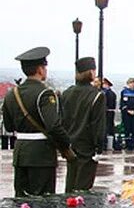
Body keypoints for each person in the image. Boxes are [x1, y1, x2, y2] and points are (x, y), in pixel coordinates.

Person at [1, 47, 75, 195]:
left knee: (22, 204)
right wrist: (67, 143)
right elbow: (53, 125)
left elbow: (8, 126)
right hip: (42, 155)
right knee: (43, 205)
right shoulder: (45, 93)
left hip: (21, 152)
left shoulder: (11, 94)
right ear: (40, 69)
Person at [60, 57, 105, 192]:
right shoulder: (97, 95)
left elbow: (62, 120)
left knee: (70, 184)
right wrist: (99, 148)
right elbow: (98, 124)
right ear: (91, 72)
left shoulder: (66, 93)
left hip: (70, 145)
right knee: (83, 189)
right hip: (87, 146)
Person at [119, 77, 134, 151]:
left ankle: (133, 144)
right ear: (128, 84)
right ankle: (127, 144)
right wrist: (127, 110)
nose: (132, 84)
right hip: (126, 114)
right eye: (131, 83)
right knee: (127, 129)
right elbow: (122, 103)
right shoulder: (124, 92)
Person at [101, 77, 118, 151]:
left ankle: (105, 144)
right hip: (108, 114)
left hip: (107, 114)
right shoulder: (110, 93)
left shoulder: (109, 94)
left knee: (107, 129)